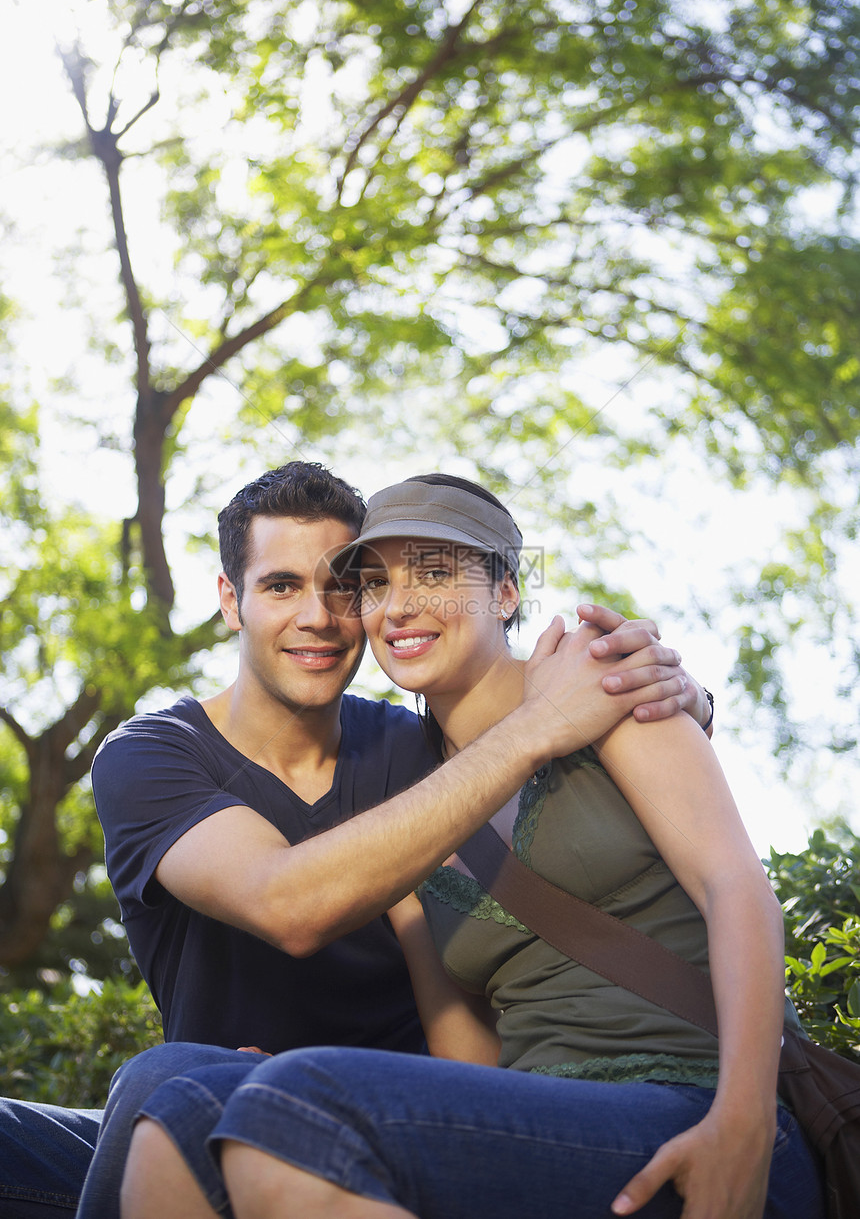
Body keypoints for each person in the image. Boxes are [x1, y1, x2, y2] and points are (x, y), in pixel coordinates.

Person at [0, 461, 709, 1219]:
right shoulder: (152, 756)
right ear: (230, 601)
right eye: (281, 587)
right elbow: (285, 901)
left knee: (163, 1083)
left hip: (387, 1116)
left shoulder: (416, 749)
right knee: (151, 1096)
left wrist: (679, 696)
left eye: (345, 587)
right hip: (212, 1111)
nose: (320, 616)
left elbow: (548, 733)